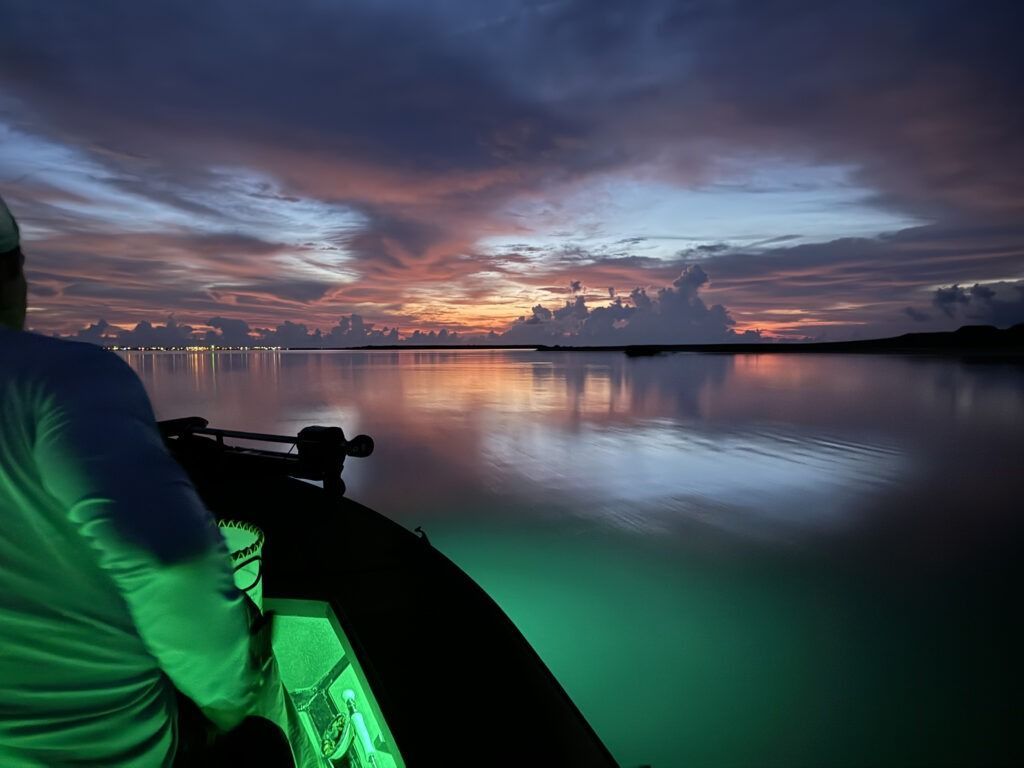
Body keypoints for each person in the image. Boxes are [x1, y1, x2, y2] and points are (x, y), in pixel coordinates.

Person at [0, 194, 291, 766]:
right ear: (15, 276)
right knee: (264, 735)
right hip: (112, 753)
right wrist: (238, 701)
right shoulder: (63, 378)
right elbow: (170, 560)